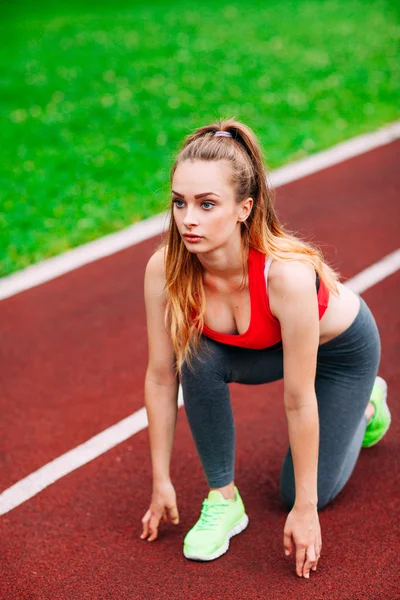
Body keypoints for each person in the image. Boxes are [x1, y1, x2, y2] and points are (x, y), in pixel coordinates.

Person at [140, 118, 391, 577]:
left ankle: (367, 405)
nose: (188, 219)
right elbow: (161, 375)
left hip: (339, 355)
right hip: (263, 346)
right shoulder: (166, 270)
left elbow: (298, 400)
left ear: (244, 208)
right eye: (180, 203)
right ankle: (223, 498)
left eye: (207, 203)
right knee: (193, 356)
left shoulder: (286, 279)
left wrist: (307, 510)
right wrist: (161, 481)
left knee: (297, 494)